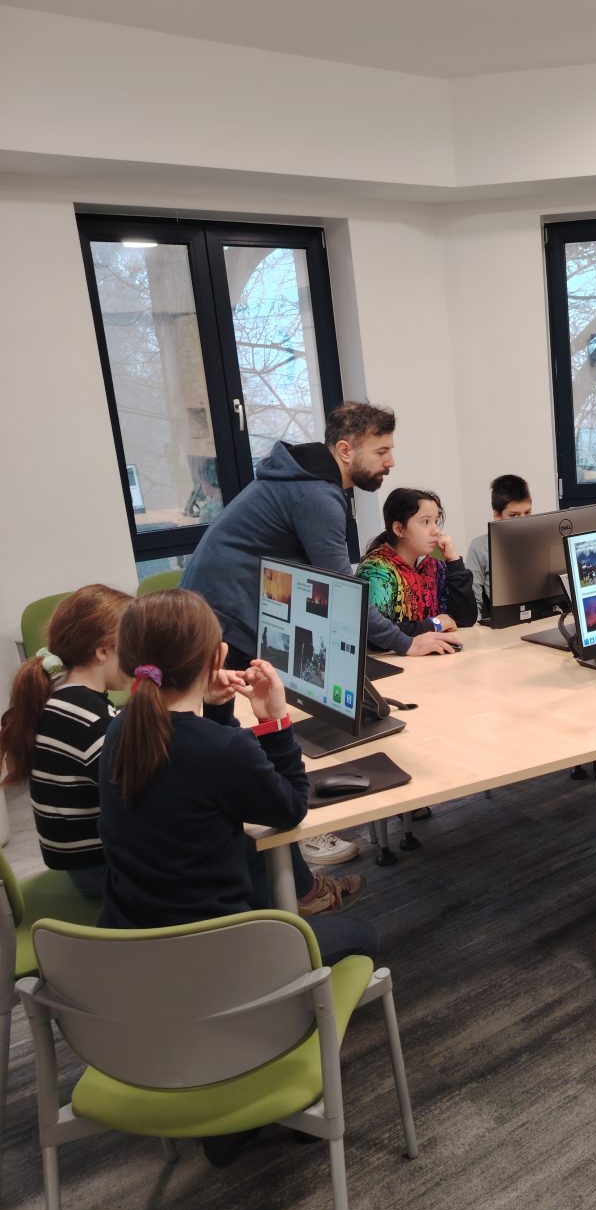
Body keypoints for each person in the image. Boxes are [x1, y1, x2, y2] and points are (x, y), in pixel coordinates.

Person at [181, 401, 457, 867]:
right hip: (227, 617)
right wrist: (406, 642)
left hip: (223, 610)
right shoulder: (315, 495)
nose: (391, 462)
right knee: (258, 726)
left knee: (250, 725)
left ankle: (262, 835)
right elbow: (344, 591)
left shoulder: (306, 481)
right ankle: (290, 841)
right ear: (346, 450)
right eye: (381, 451)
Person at [98, 589, 379, 961]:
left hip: (130, 945)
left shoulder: (121, 729)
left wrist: (215, 709)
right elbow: (291, 808)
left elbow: (207, 775)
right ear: (218, 656)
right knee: (363, 935)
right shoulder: (222, 749)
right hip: (215, 955)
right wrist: (275, 723)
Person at [0, 585, 133, 898]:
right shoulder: (92, 721)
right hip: (102, 873)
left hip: (82, 865)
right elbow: (140, 798)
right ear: (103, 651)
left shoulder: (58, 694)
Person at [356, 488, 477, 644]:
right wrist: (435, 624)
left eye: (436, 521)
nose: (436, 531)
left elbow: (466, 619)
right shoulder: (377, 569)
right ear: (399, 529)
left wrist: (454, 561)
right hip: (395, 657)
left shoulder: (434, 563)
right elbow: (376, 634)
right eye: (426, 522)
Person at [465, 474, 533, 617]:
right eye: (513, 515)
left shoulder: (537, 541)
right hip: (506, 620)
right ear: (497, 515)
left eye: (527, 513)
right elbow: (473, 603)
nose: (522, 521)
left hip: (540, 617)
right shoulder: (480, 547)